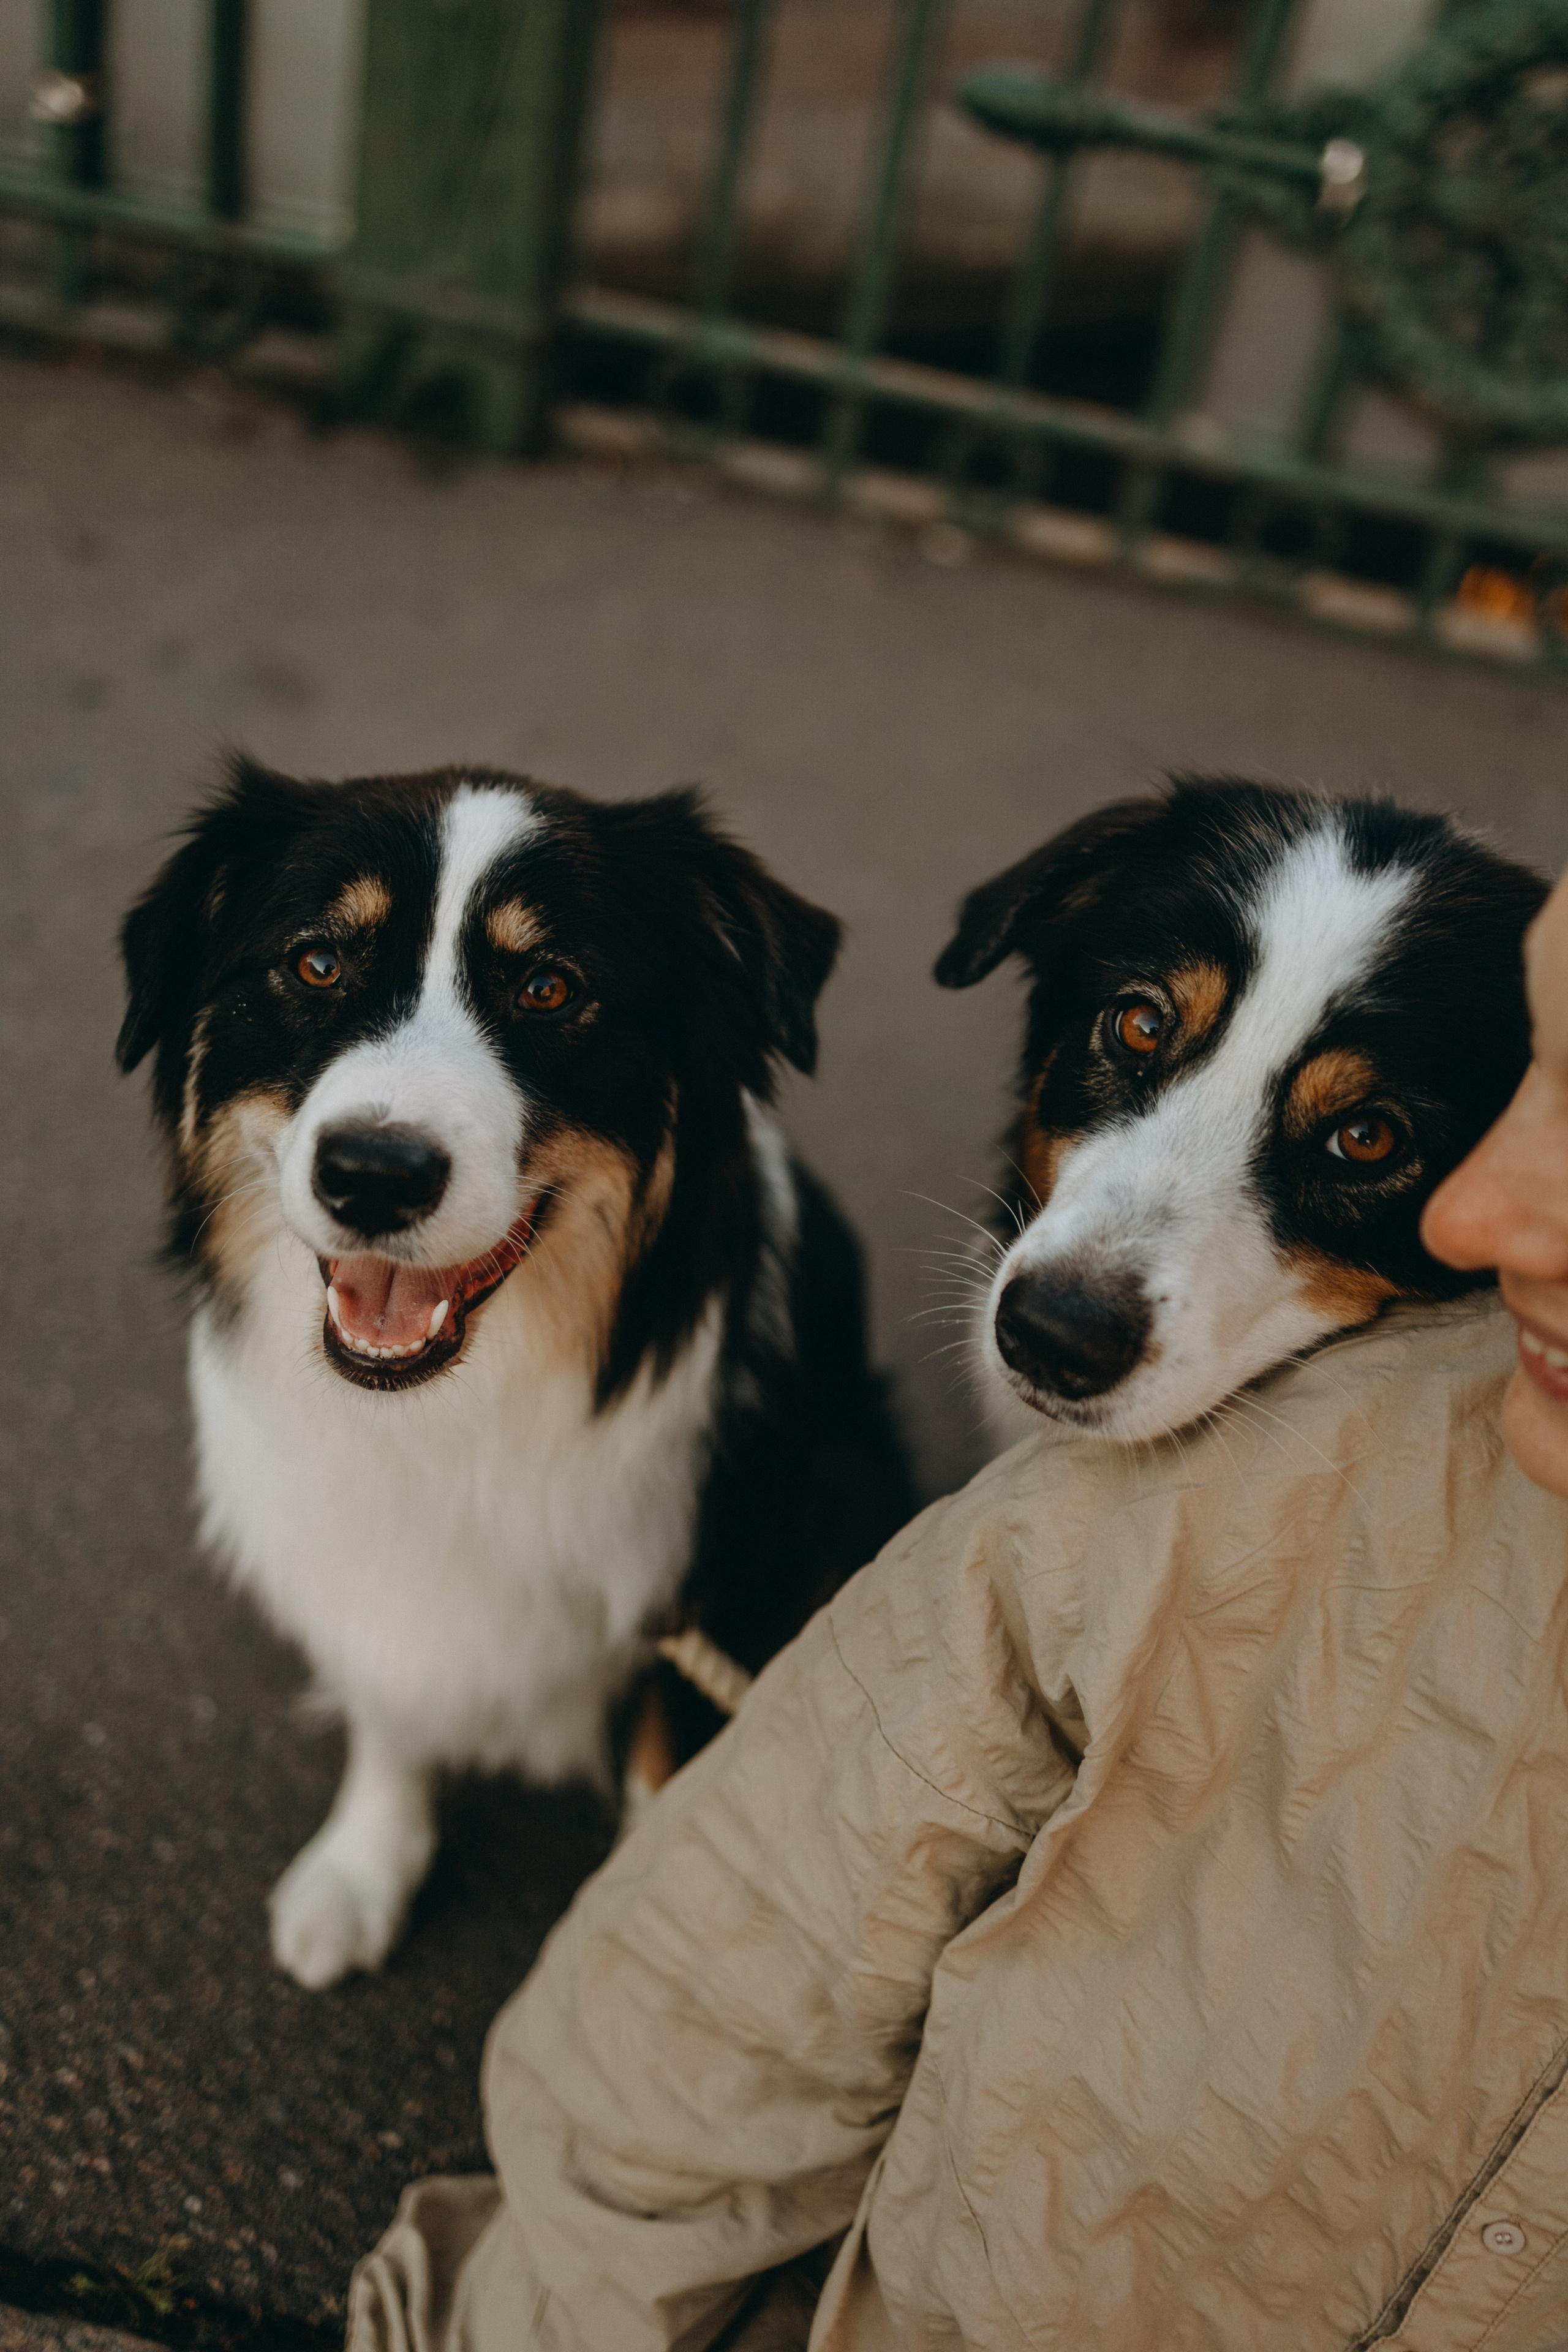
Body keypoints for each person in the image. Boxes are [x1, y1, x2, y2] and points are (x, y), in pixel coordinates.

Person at [349, 876, 1568, 2352]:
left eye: (1362, 1138)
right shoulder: (1082, 1548)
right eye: (1136, 1032)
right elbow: (745, 1967)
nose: (1071, 1273)